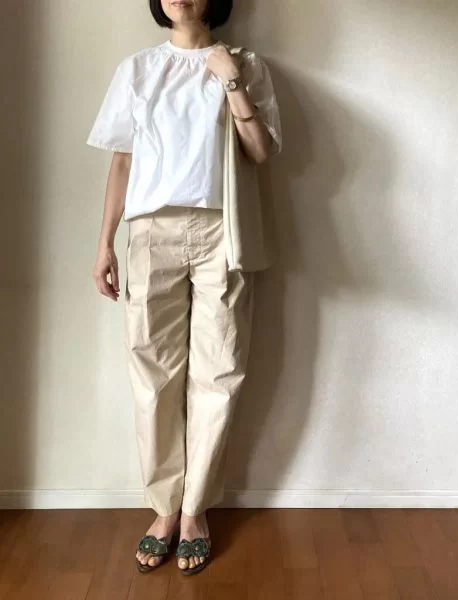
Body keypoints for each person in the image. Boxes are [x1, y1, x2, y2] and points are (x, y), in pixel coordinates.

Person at [87, 0, 282, 576]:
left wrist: (232, 81)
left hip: (224, 229)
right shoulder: (138, 69)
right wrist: (104, 243)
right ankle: (164, 509)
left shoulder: (246, 64)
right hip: (151, 230)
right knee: (153, 374)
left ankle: (194, 511)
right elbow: (122, 163)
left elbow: (261, 151)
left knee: (219, 370)